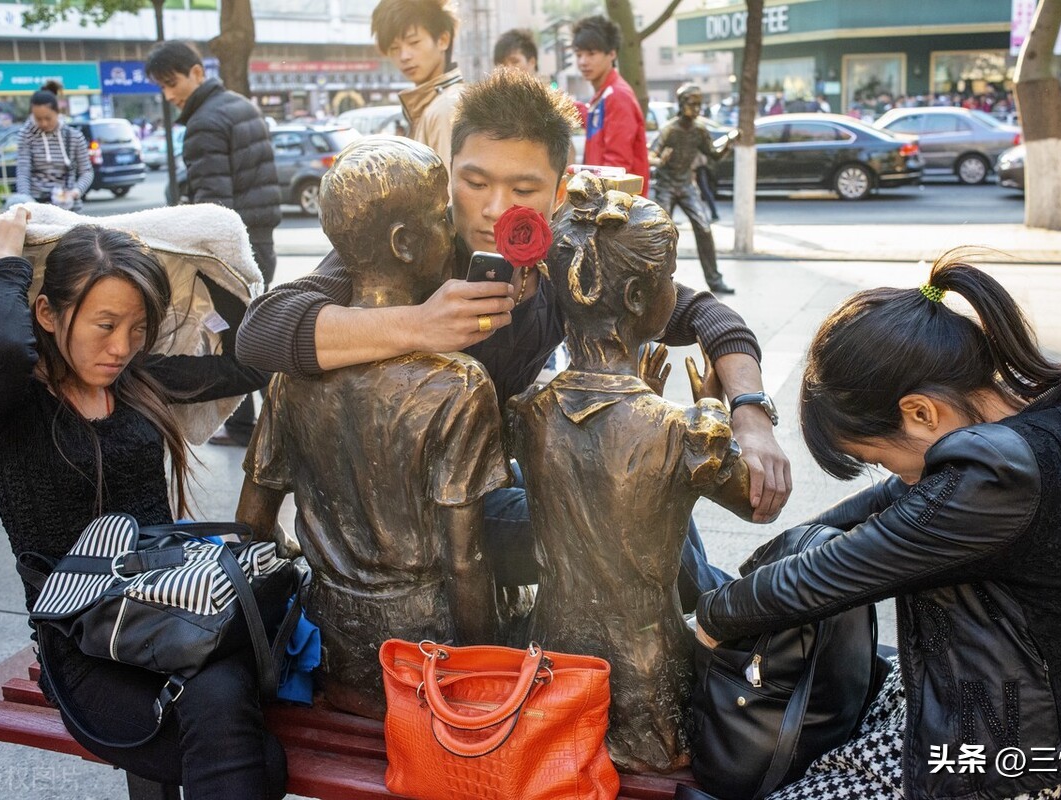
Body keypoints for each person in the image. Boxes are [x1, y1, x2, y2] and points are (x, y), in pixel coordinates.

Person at [234, 68, 793, 610]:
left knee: (646, 484)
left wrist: (750, 413)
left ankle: (736, 610)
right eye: (474, 182)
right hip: (426, 515)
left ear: (560, 190)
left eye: (523, 187)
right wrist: (420, 324)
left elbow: (705, 314)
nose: (495, 207)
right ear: (449, 171)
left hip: (496, 470)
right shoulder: (406, 248)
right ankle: (741, 613)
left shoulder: (568, 260)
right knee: (631, 514)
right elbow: (260, 331)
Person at [694, 254, 1061, 799]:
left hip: (1019, 767)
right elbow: (887, 506)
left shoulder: (994, 479)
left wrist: (710, 618)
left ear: (920, 413)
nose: (892, 473)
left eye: (881, 456)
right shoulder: (1053, 408)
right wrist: (783, 550)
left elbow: (829, 574)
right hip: (1027, 707)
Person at [0, 209, 281, 798]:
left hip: (180, 613)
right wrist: (2, 261)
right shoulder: (8, 407)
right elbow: (1, 347)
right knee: (246, 750)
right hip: (87, 645)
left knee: (231, 721)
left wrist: (202, 260)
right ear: (46, 312)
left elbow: (252, 359)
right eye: (105, 324)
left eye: (137, 328)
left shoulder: (141, 381)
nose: (121, 347)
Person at [236, 137, 502, 718]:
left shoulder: (295, 373)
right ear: (405, 245)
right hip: (422, 661)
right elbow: (466, 564)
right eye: (441, 219)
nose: (453, 232)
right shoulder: (456, 384)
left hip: (332, 647)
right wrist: (484, 675)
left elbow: (251, 523)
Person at [510, 174, 754, 773]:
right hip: (647, 683)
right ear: (645, 298)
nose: (677, 289)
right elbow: (758, 503)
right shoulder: (680, 428)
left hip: (552, 662)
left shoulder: (527, 411)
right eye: (671, 277)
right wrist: (715, 411)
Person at [145, 40, 281, 450]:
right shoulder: (241, 104)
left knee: (237, 346)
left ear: (197, 72)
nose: (169, 95)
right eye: (162, 87)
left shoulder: (204, 122)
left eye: (172, 83)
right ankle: (275, 423)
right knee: (255, 337)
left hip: (231, 254)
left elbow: (212, 210)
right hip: (261, 242)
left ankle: (255, 427)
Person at [650, 83, 734, 295]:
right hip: (666, 185)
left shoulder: (699, 130)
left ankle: (715, 280)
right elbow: (651, 155)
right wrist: (660, 160)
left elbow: (713, 154)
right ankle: (655, 283)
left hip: (686, 185)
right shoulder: (669, 129)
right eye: (692, 103)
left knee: (704, 228)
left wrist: (728, 143)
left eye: (699, 104)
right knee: (661, 233)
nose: (696, 108)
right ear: (681, 104)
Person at [371, 0, 462, 172]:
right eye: (394, 48)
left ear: (443, 40)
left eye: (414, 42)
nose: (404, 56)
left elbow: (450, 194)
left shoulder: (447, 107)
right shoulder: (431, 104)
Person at [573, 14, 650, 195]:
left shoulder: (617, 96)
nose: (583, 61)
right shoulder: (604, 95)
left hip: (616, 207)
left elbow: (616, 166)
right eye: (579, 54)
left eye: (591, 54)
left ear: (612, 53)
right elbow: (593, 121)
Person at [15, 88, 92, 209]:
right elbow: (23, 172)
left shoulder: (74, 136)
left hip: (68, 207)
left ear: (57, 112)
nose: (44, 123)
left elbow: (87, 172)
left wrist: (75, 192)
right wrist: (27, 203)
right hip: (37, 205)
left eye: (48, 118)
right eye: (38, 119)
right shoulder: (26, 135)